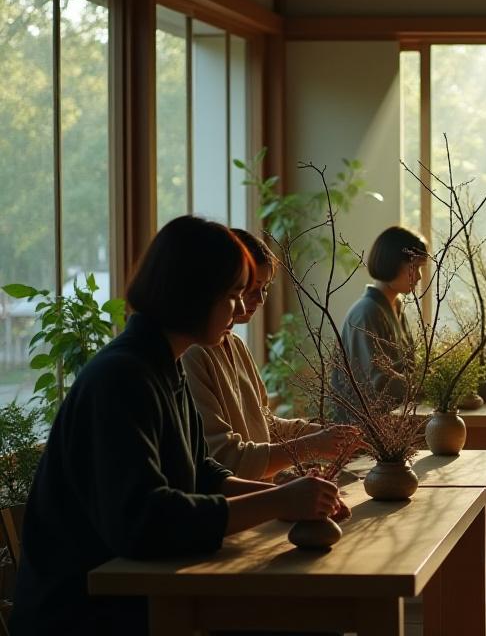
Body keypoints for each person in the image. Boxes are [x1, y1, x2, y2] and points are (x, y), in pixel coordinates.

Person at [11, 216, 346, 634]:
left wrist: (287, 494)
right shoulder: (122, 378)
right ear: (191, 295)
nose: (243, 309)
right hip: (87, 614)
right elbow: (146, 522)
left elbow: (203, 472)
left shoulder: (161, 364)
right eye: (233, 295)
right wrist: (279, 503)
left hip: (146, 594)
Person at [182, 228, 360, 480]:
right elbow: (224, 459)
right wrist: (311, 445)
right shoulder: (191, 355)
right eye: (251, 288)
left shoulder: (236, 345)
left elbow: (265, 424)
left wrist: (323, 434)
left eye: (265, 288)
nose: (259, 300)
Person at [331, 226, 426, 417]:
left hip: (396, 420)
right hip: (363, 432)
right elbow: (378, 386)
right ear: (392, 264)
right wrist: (425, 386)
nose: (419, 277)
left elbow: (410, 367)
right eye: (414, 267)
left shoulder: (396, 306)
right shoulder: (367, 313)